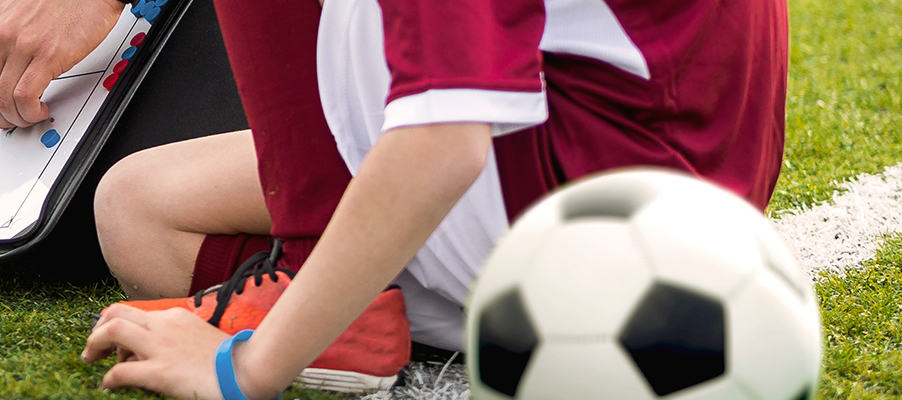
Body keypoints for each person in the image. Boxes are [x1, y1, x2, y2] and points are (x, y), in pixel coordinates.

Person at [80, 0, 787, 398]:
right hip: (670, 198)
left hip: (574, 226)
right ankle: (348, 280)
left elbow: (445, 140)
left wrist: (246, 369)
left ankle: (316, 276)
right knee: (139, 210)